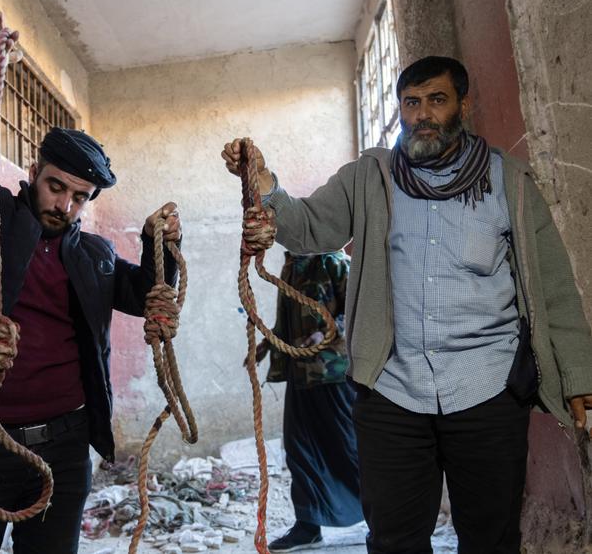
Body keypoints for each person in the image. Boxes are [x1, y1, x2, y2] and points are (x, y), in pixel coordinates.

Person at [222, 56, 592, 553]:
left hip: (488, 388)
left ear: (463, 104)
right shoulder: (369, 176)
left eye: (436, 100)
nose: (422, 114)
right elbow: (310, 228)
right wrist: (264, 183)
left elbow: (555, 287)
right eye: (411, 103)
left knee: (492, 537)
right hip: (392, 389)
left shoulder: (510, 183)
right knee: (394, 539)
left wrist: (578, 377)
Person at [0, 14, 181, 553]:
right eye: (56, 186)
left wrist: (162, 244)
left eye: (79, 197)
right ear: (34, 172)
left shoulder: (95, 257)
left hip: (63, 451)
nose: (65, 204)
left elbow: (144, 293)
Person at [256, 251, 362, 552]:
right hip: (300, 373)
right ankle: (308, 526)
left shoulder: (335, 263)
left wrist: (327, 333)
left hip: (333, 373)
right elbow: (289, 317)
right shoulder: (292, 264)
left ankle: (384, 517)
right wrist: (270, 342)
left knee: (348, 448)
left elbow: (358, 310)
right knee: (299, 449)